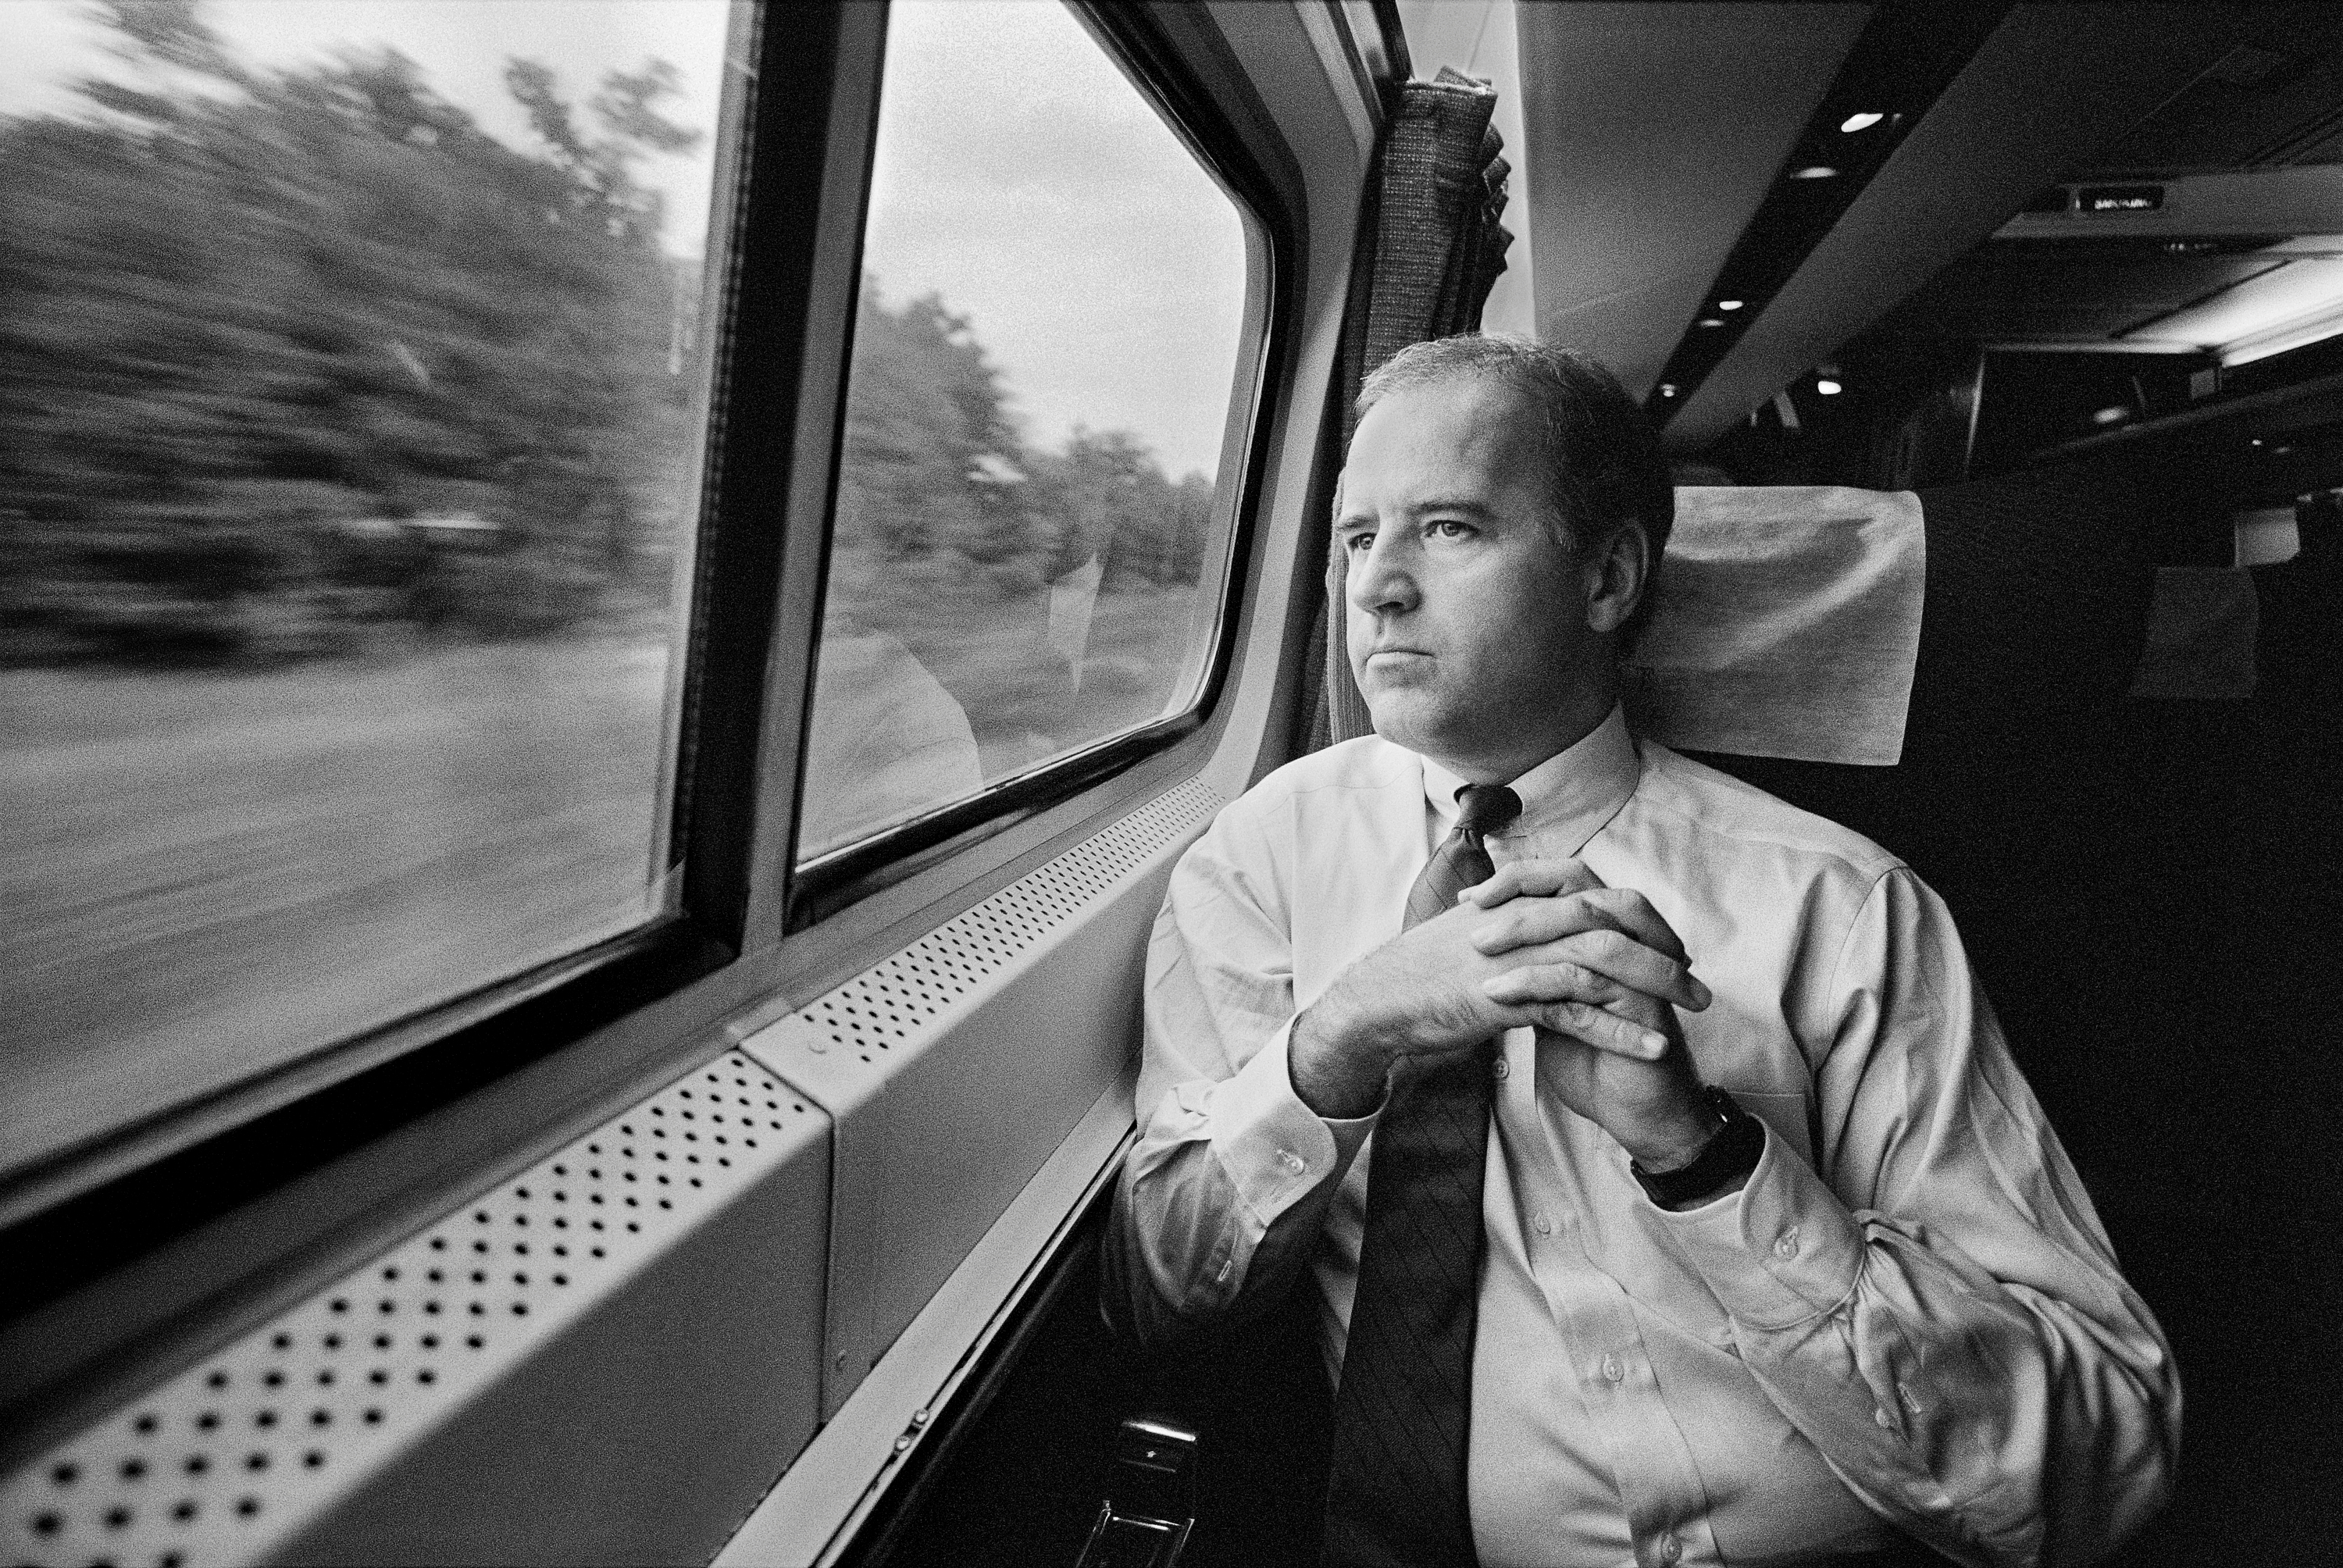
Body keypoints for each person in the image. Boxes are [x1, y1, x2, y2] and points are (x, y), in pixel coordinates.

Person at [1104, 335, 2177, 1567]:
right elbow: (1161, 1300)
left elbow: (2104, 1459)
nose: (1377, 588)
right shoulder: (1259, 860)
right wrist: (1341, 1043)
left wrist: (1707, 1159)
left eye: (1448, 529)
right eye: (1357, 538)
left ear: (1609, 578)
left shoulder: (1841, 907)